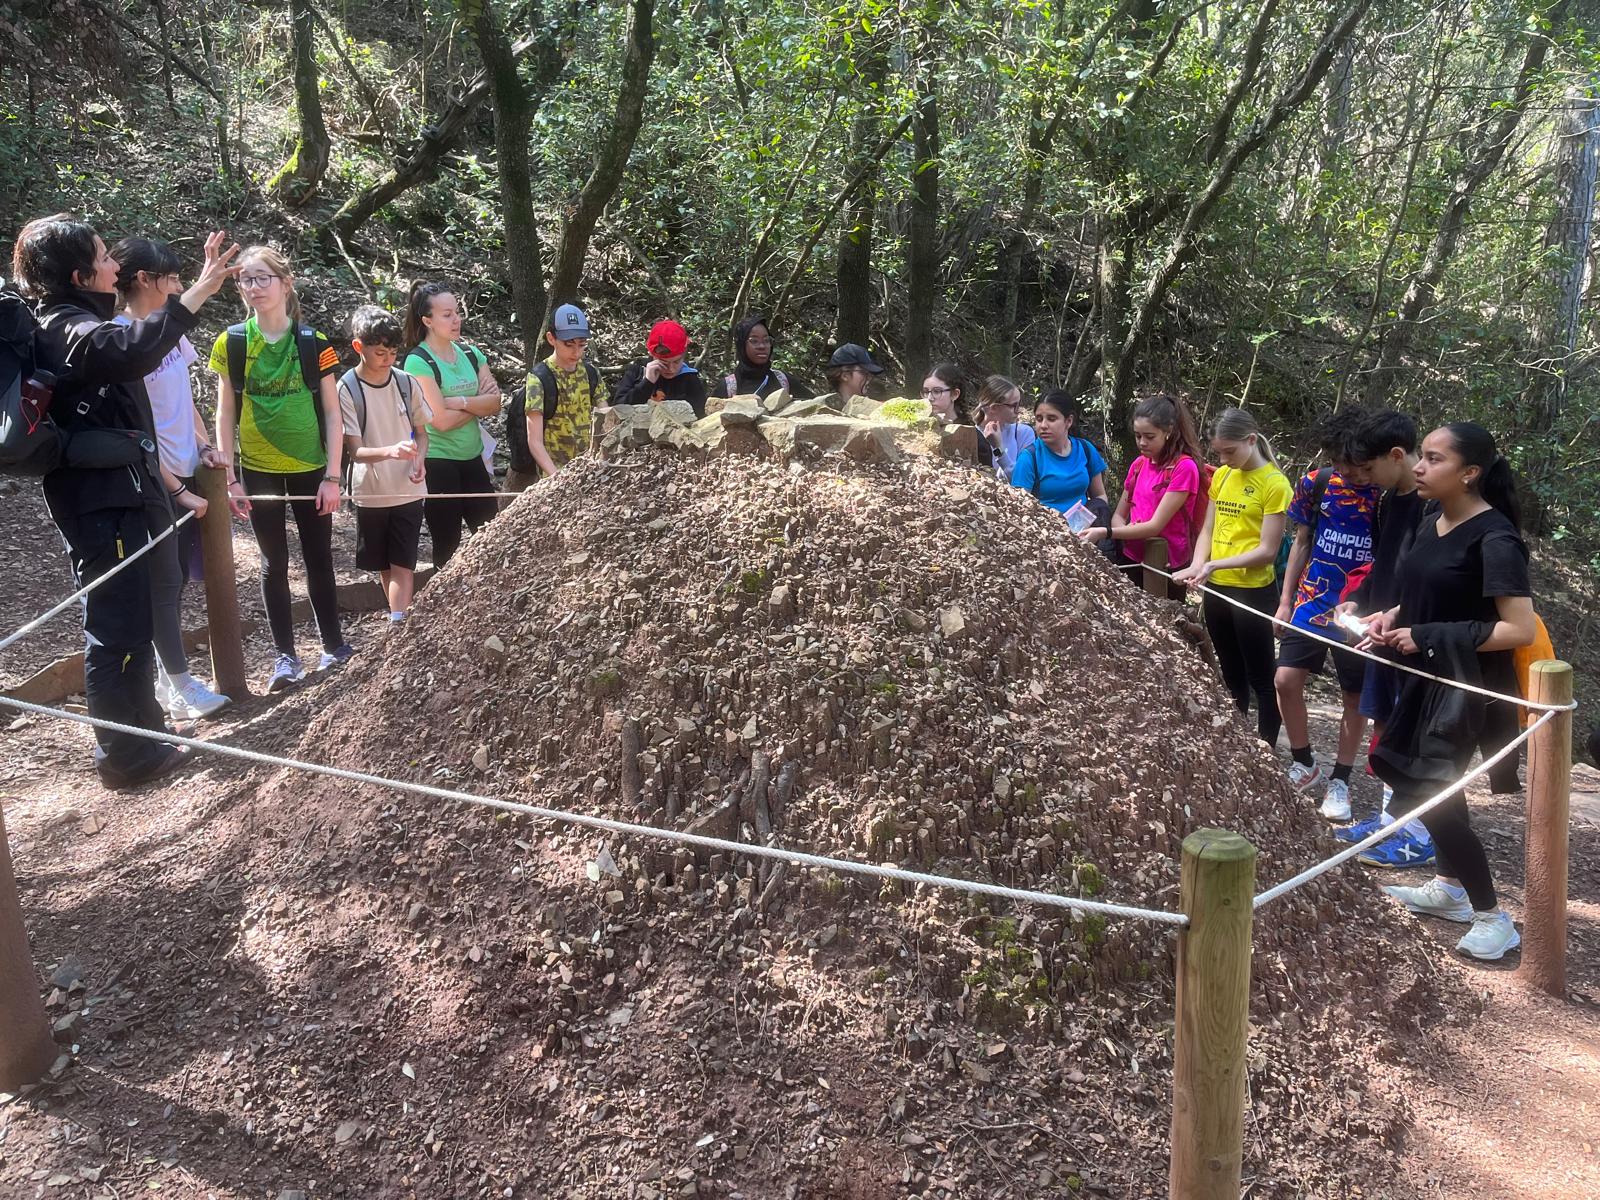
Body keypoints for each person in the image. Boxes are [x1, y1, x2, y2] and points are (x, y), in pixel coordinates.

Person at [14, 215, 237, 787]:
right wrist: (198, 292)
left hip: (117, 495)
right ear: (79, 274)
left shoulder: (77, 323)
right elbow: (132, 350)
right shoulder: (65, 328)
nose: (116, 266)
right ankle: (124, 755)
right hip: (100, 502)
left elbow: (133, 349)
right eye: (104, 257)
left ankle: (145, 734)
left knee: (130, 620)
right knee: (115, 628)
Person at [1364, 423, 1537, 961]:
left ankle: (1493, 917)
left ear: (1470, 473)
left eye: (1435, 459)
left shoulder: (1496, 538)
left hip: (1467, 688)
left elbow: (1518, 629)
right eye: (1423, 456)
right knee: (1439, 787)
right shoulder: (1428, 520)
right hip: (1423, 676)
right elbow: (1426, 597)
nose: (1419, 466)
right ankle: (1449, 888)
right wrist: (1390, 618)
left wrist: (1428, 635)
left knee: (1426, 790)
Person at [210, 245, 352, 692]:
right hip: (257, 467)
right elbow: (224, 412)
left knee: (319, 556)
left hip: (311, 466)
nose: (254, 287)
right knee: (274, 561)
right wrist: (230, 478)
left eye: (262, 278)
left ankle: (333, 645)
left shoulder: (313, 342)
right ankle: (285, 658)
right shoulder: (232, 342)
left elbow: (333, 413)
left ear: (285, 284)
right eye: (245, 280)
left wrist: (333, 476)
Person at [111, 236, 230, 722]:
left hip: (185, 468)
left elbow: (184, 401)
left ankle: (166, 682)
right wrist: (176, 489)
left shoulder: (171, 331)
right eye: (173, 278)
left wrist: (203, 446)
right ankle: (181, 685)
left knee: (174, 580)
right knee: (163, 583)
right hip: (154, 479)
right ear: (144, 279)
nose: (179, 286)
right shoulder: (119, 339)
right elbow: (134, 428)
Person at [1331, 410, 1434, 866]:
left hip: (1416, 637)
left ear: (1396, 456)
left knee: (1415, 734)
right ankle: (1393, 818)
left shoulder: (1434, 507)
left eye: (1370, 468)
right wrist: (1359, 600)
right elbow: (1384, 563)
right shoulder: (1389, 502)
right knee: (1386, 727)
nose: (1366, 478)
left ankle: (1421, 833)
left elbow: (1433, 580)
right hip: (1382, 633)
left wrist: (1403, 618)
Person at [1274, 408, 1381, 820]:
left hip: (1360, 607)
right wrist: (1285, 600)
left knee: (1354, 694)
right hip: (1312, 598)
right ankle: (1305, 762)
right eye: (1336, 460)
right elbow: (1302, 540)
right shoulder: (1316, 483)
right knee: (1285, 679)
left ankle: (1341, 779)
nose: (1344, 469)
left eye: (1349, 461)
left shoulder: (1385, 491)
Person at [1173, 408, 1291, 746]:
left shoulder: (1274, 483)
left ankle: (1266, 748)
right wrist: (1199, 564)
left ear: (1251, 440)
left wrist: (1214, 566)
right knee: (1230, 672)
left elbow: (1267, 550)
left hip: (1252, 591)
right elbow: (1208, 529)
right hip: (1218, 590)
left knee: (1262, 676)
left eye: (1230, 451)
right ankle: (1237, 746)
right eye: (1219, 452)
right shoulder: (1223, 476)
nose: (1224, 459)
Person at [340, 305, 430, 625]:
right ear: (358, 346)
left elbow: (422, 434)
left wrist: (419, 458)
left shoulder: (406, 383)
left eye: (393, 353)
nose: (388, 359)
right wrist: (391, 451)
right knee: (384, 564)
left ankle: (398, 623)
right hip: (372, 492)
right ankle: (397, 617)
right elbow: (355, 451)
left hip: (409, 488)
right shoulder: (347, 388)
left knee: (404, 563)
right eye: (380, 353)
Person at [401, 282, 501, 564]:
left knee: (492, 536)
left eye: (457, 312)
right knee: (447, 543)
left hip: (473, 457)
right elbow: (440, 421)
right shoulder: (418, 362)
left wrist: (460, 402)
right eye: (447, 315)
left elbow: (495, 403)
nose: (456, 320)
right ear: (427, 321)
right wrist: (476, 404)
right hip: (439, 461)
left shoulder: (471, 354)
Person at [1081, 393, 1201, 598]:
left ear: (1168, 432)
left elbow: (1155, 526)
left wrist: (1106, 532)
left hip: (1167, 564)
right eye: (1138, 436)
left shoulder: (1184, 468)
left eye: (1150, 436)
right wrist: (1125, 531)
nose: (1142, 442)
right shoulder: (1139, 465)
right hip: (1132, 556)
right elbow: (1119, 515)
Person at [505, 303, 604, 493]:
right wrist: (557, 479)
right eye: (569, 344)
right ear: (551, 338)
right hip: (553, 475)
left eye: (582, 344)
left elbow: (606, 417)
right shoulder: (539, 378)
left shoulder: (591, 373)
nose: (576, 352)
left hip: (589, 471)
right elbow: (534, 441)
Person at [1010, 390, 1107, 515]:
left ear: (1069, 421)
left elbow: (1100, 496)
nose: (1043, 425)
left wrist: (1089, 517)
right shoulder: (1029, 458)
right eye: (1039, 419)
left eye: (1051, 419)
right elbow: (1019, 509)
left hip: (1086, 524)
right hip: (1045, 524)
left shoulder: (1085, 449)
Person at [612, 319, 707, 415]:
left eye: (676, 362)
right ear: (652, 355)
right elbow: (617, 410)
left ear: (683, 356)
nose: (671, 369)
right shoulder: (637, 371)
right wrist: (647, 383)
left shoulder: (689, 378)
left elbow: (701, 414)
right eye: (664, 363)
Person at [716, 313, 811, 402]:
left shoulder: (783, 380)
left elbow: (815, 406)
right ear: (742, 345)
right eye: (754, 341)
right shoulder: (728, 387)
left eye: (766, 340)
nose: (762, 346)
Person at [922, 363, 994, 472]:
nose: (929, 398)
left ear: (955, 394)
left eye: (937, 391)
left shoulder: (975, 438)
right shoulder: (918, 430)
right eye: (925, 392)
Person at [974, 374, 1035, 478]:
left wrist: (998, 449)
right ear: (994, 408)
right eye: (1014, 406)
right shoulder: (971, 436)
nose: (1018, 410)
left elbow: (1023, 479)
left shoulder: (1023, 433)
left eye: (1019, 404)